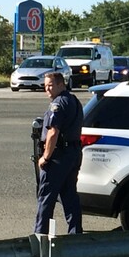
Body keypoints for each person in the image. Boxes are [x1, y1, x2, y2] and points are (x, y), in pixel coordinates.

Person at [34, 71, 84, 235]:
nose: (47, 89)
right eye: (45, 86)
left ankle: (40, 236)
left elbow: (53, 132)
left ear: (61, 84)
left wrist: (46, 157)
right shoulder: (74, 100)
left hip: (59, 156)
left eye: (50, 85)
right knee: (70, 196)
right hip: (74, 153)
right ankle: (75, 235)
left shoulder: (58, 103)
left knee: (46, 198)